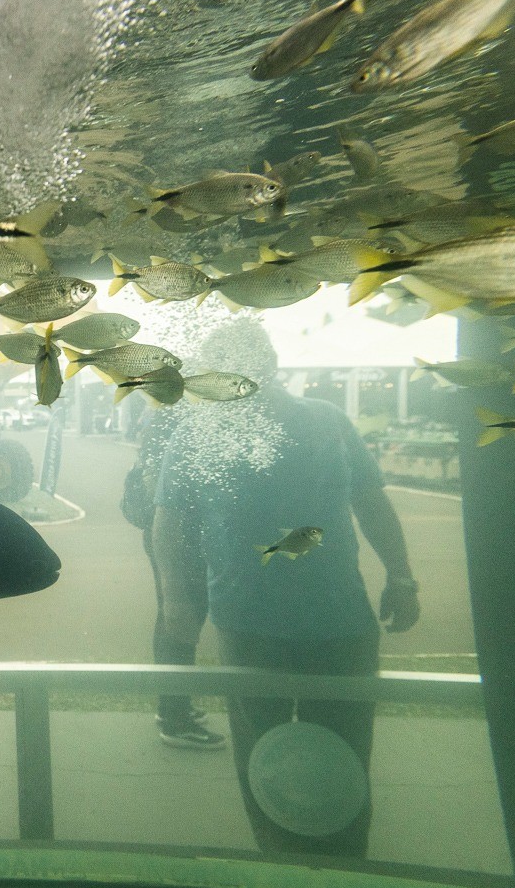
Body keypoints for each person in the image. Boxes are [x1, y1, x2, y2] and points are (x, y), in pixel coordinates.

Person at [151, 319, 420, 858]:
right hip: (324, 623)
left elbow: (168, 526)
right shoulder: (314, 423)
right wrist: (401, 576)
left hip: (269, 624)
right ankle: (341, 860)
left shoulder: (316, 422)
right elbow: (373, 505)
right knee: (341, 753)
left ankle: (288, 863)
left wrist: (179, 602)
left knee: (265, 757)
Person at [124, 408, 224, 749]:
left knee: (171, 615)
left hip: (168, 532)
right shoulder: (182, 422)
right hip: (176, 535)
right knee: (181, 617)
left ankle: (173, 705)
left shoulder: (166, 417)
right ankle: (175, 718)